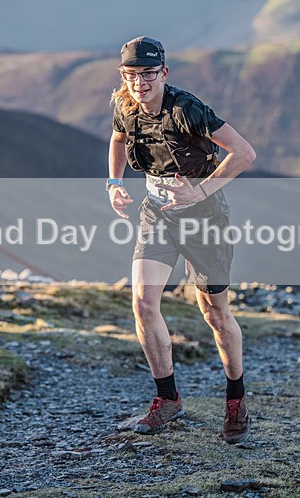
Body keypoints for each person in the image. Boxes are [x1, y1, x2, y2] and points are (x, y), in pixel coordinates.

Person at [106, 36, 256, 444]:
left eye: (149, 74)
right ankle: (167, 399)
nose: (141, 83)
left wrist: (201, 191)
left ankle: (235, 397)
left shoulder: (186, 109)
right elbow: (119, 139)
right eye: (133, 75)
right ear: (124, 76)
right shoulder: (124, 104)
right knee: (142, 302)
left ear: (164, 73)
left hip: (204, 217)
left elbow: (244, 153)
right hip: (156, 214)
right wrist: (114, 183)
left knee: (215, 315)